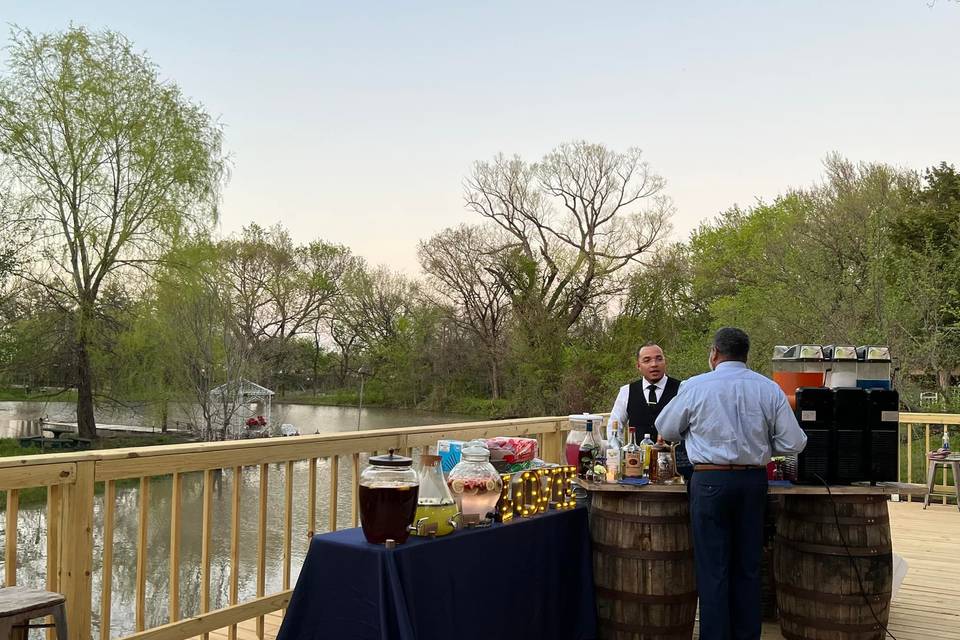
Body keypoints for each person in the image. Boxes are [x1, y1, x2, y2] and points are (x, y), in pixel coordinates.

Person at [656, 327, 807, 640]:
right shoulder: (768, 389)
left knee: (713, 569)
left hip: (710, 480)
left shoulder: (695, 386)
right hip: (752, 480)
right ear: (746, 355)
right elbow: (795, 441)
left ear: (714, 353)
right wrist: (762, 447)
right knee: (748, 566)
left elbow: (666, 429)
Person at [607, 343, 681, 443]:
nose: (654, 364)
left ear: (665, 362)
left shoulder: (682, 389)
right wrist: (617, 451)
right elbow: (614, 425)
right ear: (638, 365)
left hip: (673, 456)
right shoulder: (627, 391)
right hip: (637, 457)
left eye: (659, 359)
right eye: (647, 360)